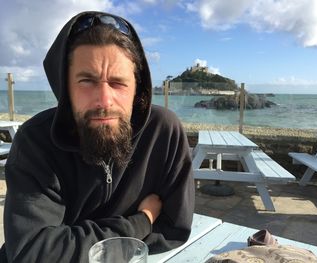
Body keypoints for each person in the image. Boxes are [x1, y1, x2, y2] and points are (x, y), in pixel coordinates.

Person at [0, 11, 194, 262]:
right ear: (65, 87)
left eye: (117, 82)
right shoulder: (35, 142)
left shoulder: (163, 132)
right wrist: (141, 221)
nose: (103, 100)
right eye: (86, 80)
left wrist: (72, 245)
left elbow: (173, 230)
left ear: (138, 89)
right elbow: (33, 253)